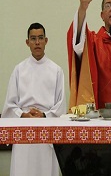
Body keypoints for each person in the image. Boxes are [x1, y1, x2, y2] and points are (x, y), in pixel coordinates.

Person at [2, 23, 66, 176]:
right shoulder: (19, 69)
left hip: (46, 128)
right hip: (24, 128)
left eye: (40, 38)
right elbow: (10, 104)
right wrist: (23, 115)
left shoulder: (56, 70)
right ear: (27, 42)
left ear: (46, 41)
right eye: (33, 39)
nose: (37, 42)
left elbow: (60, 105)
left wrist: (44, 115)